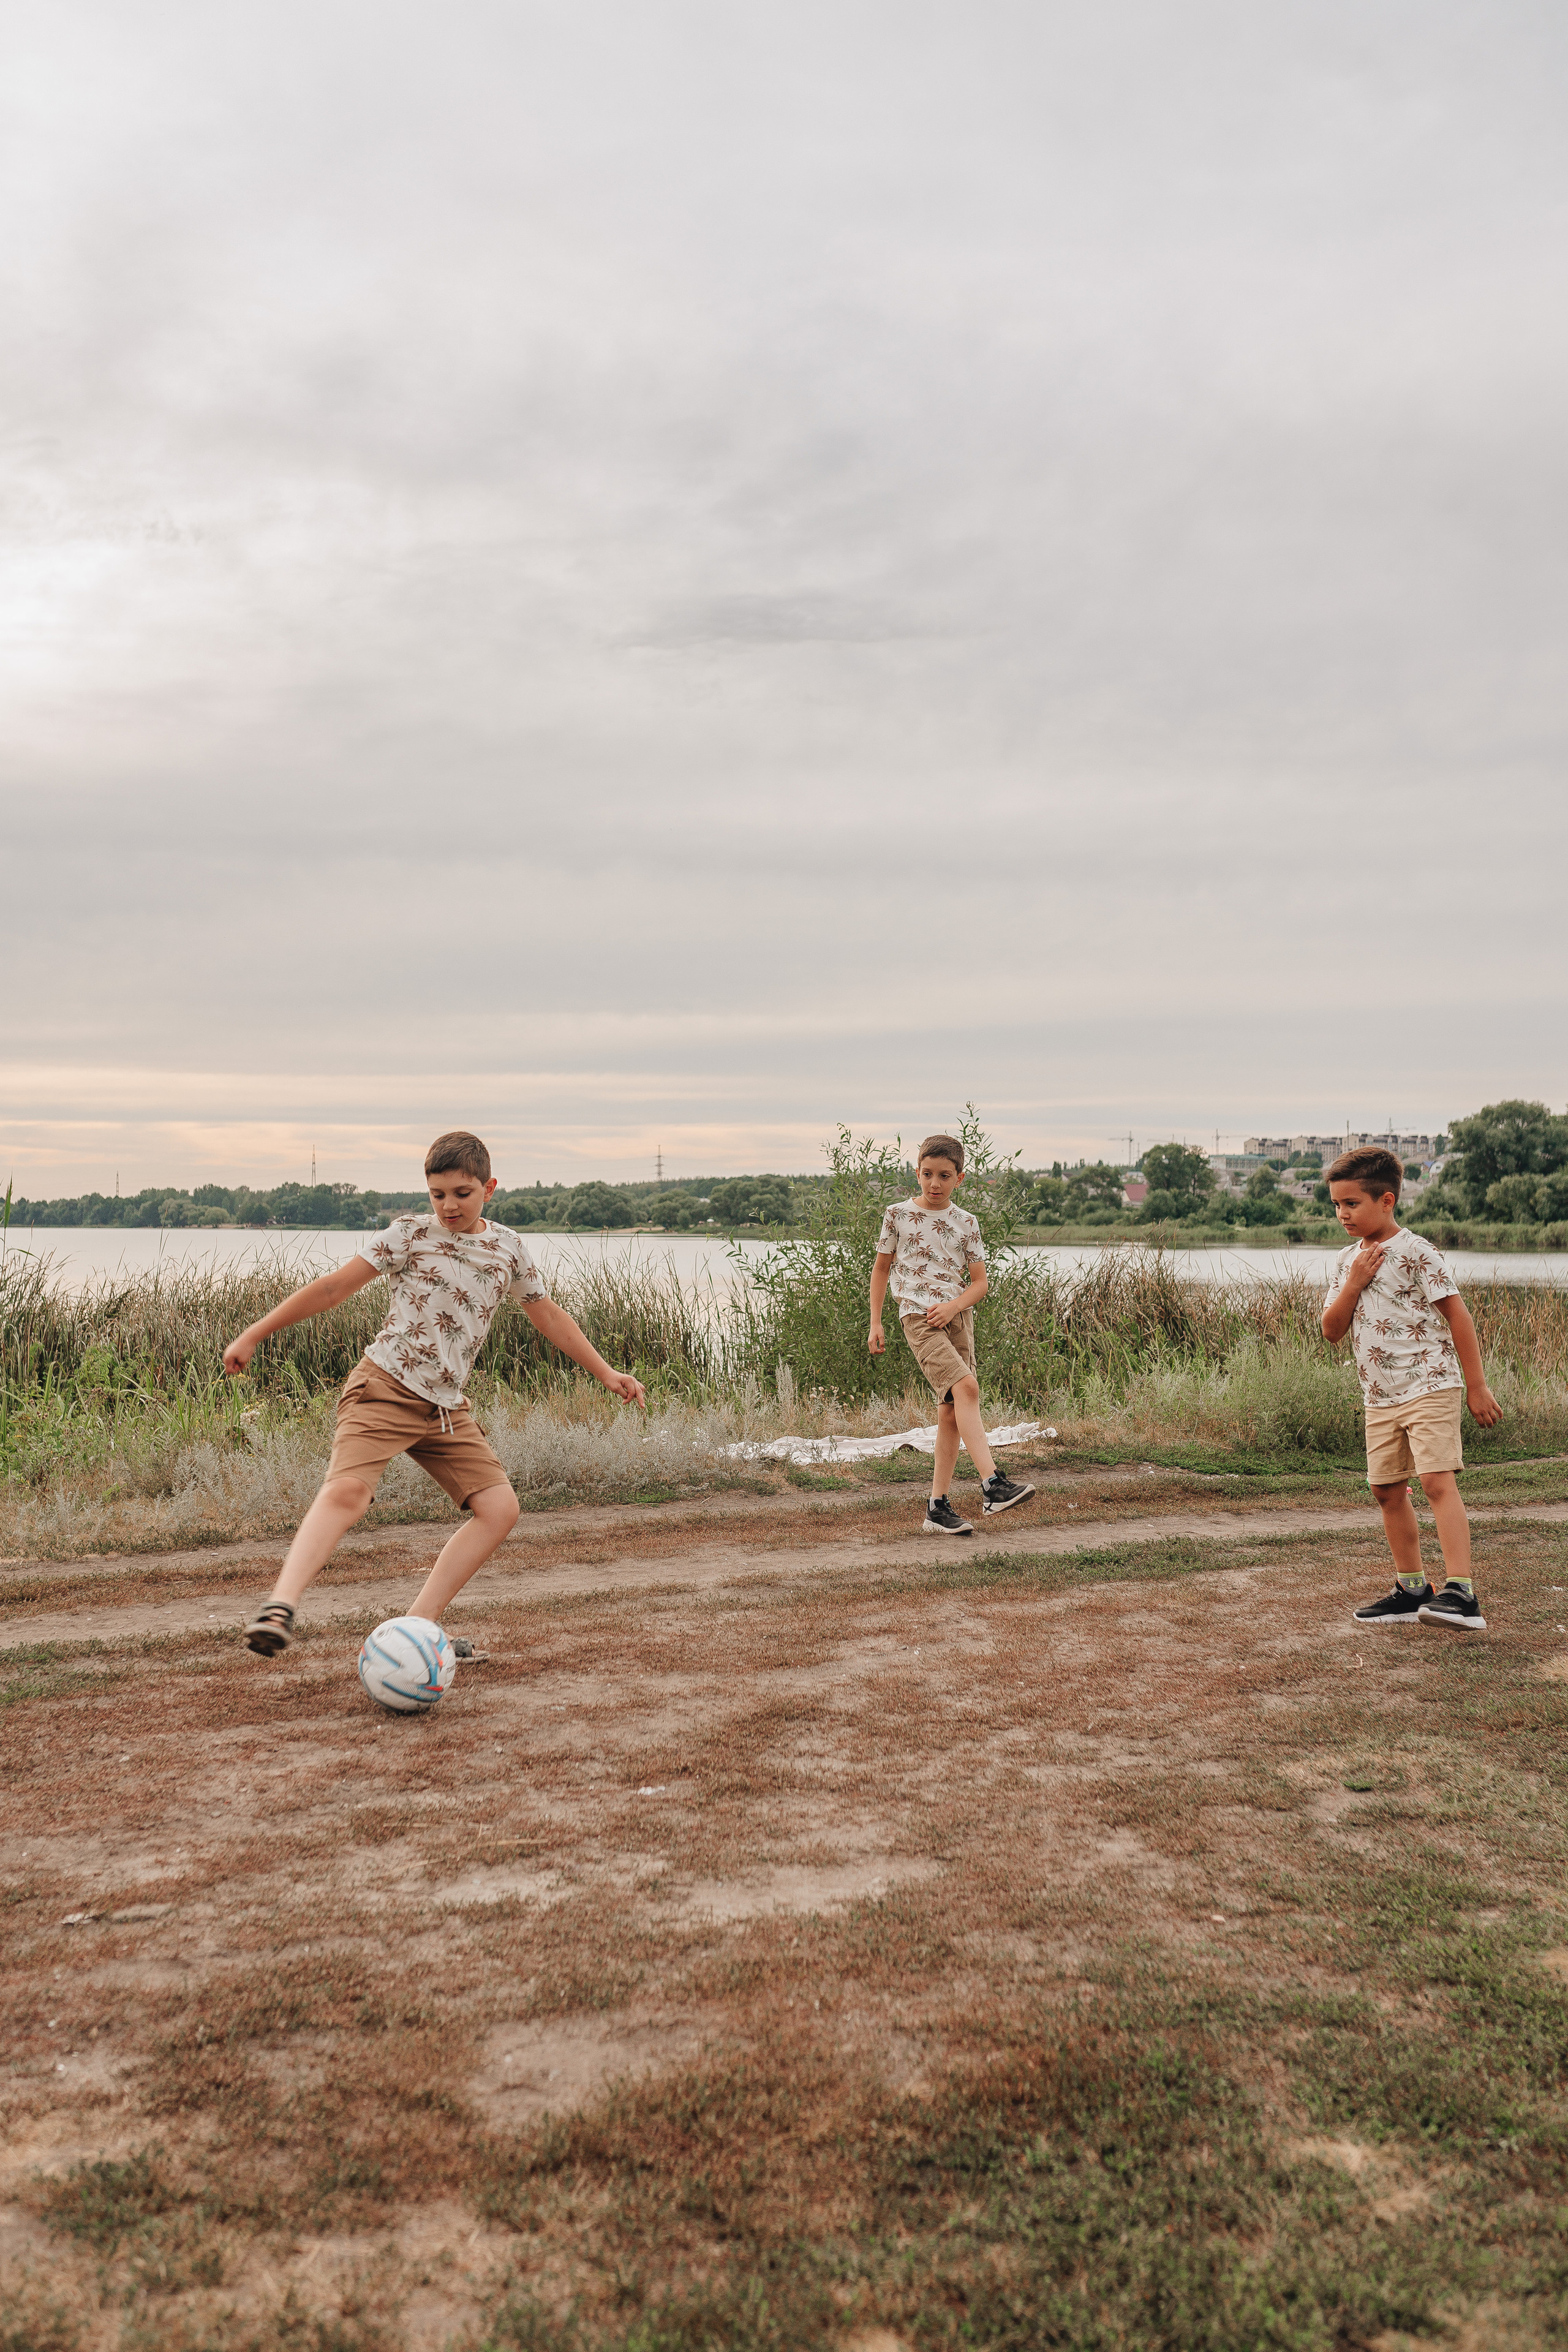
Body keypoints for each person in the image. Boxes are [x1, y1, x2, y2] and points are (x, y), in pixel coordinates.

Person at [222, 1131, 646, 1657]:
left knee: (499, 1509)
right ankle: (280, 1606)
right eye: (438, 1194)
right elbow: (333, 1288)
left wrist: (607, 1373)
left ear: (489, 1188)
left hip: (445, 1408)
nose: (449, 1206)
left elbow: (548, 1315)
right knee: (349, 1492)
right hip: (384, 1387)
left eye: (462, 1193)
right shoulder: (408, 1235)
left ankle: (415, 1630)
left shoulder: (508, 1246)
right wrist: (254, 1333)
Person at [1323, 1145, 1501, 1632]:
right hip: (1379, 1394)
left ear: (1387, 1200)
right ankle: (1411, 1589)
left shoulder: (1419, 1252)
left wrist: (1476, 1385)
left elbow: (1458, 1317)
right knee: (1385, 1488)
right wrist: (1355, 1282)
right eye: (1336, 1205)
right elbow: (1331, 1330)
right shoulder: (1345, 1261)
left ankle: (1462, 1593)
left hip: (1431, 1382)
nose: (1342, 1214)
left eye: (1352, 1204)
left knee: (1436, 1480)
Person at [867, 1131, 1035, 1535]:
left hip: (957, 1318)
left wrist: (954, 1307)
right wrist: (876, 1322)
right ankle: (993, 1485)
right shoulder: (898, 1215)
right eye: (927, 1174)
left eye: (944, 1175)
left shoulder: (966, 1223)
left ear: (960, 1177)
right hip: (918, 1317)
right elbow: (881, 1269)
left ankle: (937, 1508)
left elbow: (980, 1283)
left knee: (950, 1411)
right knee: (968, 1389)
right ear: (917, 1173)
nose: (934, 1184)